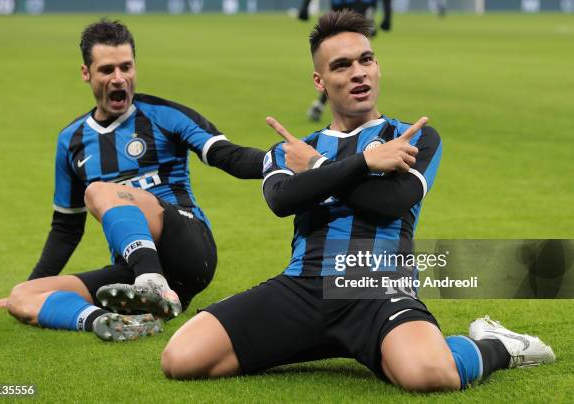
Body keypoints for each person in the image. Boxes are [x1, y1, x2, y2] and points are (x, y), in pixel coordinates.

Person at [159, 11, 555, 390]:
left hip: (378, 288)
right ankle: (322, 338)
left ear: (377, 66)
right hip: (304, 286)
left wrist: (316, 166)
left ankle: (498, 344)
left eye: (366, 59)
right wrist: (364, 162)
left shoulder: (412, 136)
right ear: (320, 80)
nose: (358, 72)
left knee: (431, 374)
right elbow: (282, 199)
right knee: (181, 358)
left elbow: (389, 202)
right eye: (342, 65)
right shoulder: (295, 147)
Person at [0, 19, 265, 341]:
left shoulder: (163, 115)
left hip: (189, 247)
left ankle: (152, 283)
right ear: (86, 73)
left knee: (100, 191)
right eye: (107, 70)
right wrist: (35, 283)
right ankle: (109, 320)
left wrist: (280, 161)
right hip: (132, 272)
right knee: (22, 297)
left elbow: (228, 155)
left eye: (126, 67)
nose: (119, 79)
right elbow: (66, 230)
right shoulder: (71, 140)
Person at [301, 0, 393, 121]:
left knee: (352, 68)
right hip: (337, 24)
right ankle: (325, 106)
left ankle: (323, 106)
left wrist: (387, 16)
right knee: (342, 68)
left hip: (360, 23)